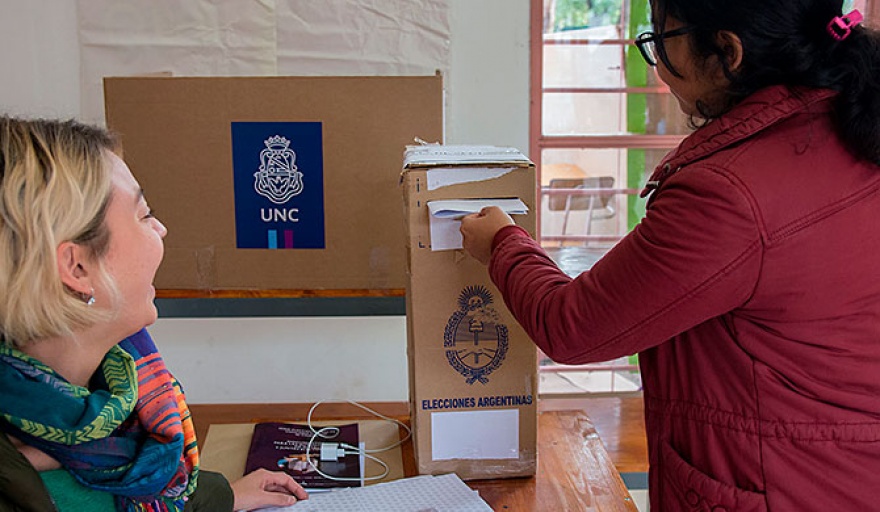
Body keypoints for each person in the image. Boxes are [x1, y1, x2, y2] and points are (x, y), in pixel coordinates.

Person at [461, 1, 880, 510]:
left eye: (661, 40)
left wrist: (503, 243)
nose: (657, 66)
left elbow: (572, 326)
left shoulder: (730, 194)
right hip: (847, 473)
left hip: (782, 484)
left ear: (727, 52)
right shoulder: (850, 128)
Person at [0, 116, 309, 511]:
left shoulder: (108, 418)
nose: (161, 229)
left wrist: (223, 496)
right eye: (144, 214)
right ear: (77, 268)